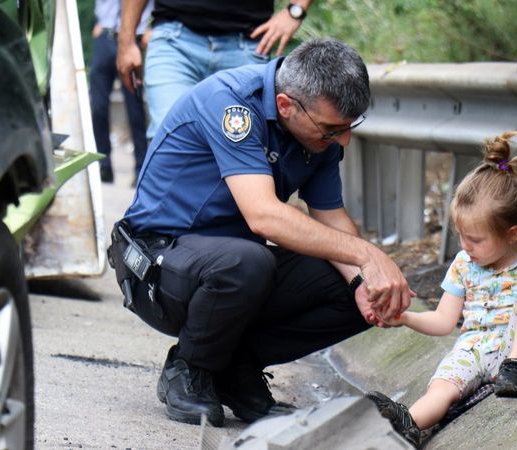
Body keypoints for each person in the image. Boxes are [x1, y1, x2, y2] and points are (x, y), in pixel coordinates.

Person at [107, 38, 414, 427]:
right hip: (157, 263)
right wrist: (368, 255)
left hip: (226, 264)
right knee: (247, 261)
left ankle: (235, 369)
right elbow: (264, 218)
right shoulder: (231, 104)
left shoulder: (316, 132)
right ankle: (189, 368)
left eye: (349, 127)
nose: (343, 141)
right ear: (286, 105)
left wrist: (365, 278)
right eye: (332, 130)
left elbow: (330, 216)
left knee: (361, 292)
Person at [366, 132, 517, 447]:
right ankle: (407, 425)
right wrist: (406, 318)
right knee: (443, 385)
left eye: (475, 240)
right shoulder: (465, 264)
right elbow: (444, 320)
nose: (465, 246)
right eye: (461, 236)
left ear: (511, 233)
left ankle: (514, 369)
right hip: (475, 346)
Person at [116, 0, 313, 141]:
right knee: (169, 140)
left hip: (247, 45)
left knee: (241, 146)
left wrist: (295, 10)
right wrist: (126, 40)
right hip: (174, 41)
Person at [89, 0, 153, 183]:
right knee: (98, 106)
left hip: (134, 39)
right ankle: (103, 165)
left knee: (135, 111)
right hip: (105, 37)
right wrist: (99, 22)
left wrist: (152, 27)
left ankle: (141, 168)